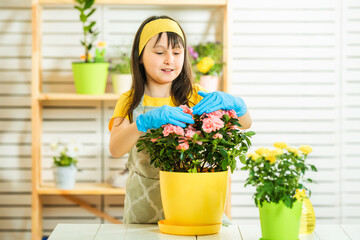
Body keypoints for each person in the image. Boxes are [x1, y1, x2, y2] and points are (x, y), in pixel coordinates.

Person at [109, 15, 252, 224]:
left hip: (192, 202)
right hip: (145, 208)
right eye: (160, 52)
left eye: (177, 52)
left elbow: (245, 124)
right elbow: (115, 148)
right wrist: (141, 123)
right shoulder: (130, 101)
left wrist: (238, 106)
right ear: (140, 56)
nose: (170, 60)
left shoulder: (195, 96)